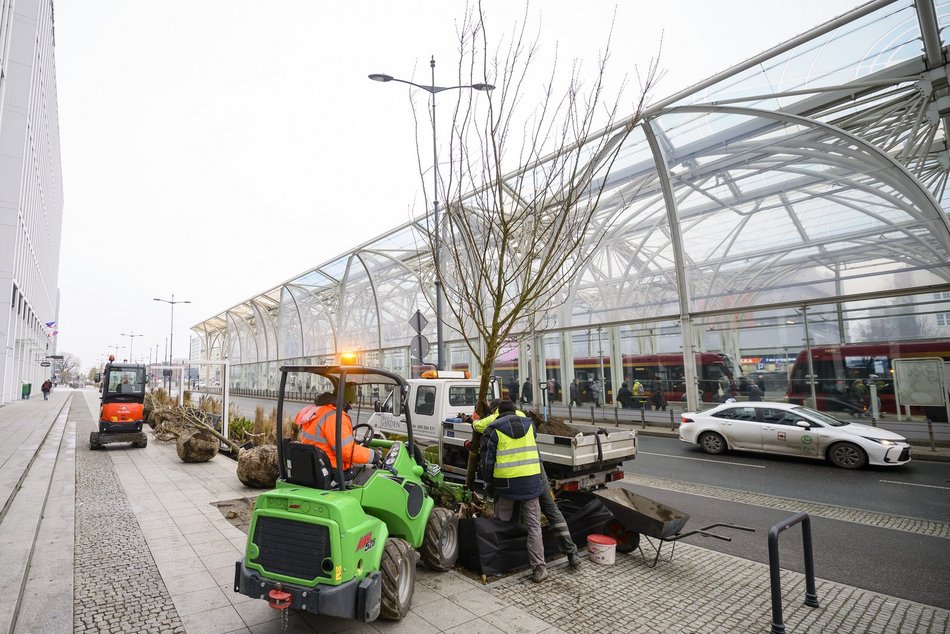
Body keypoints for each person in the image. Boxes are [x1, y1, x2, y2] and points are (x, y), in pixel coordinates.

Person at [474, 399, 548, 582]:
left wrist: (489, 484)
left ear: (497, 414)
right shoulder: (530, 425)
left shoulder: (493, 429)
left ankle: (501, 565)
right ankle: (539, 568)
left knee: (501, 523)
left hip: (506, 485)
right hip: (531, 482)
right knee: (534, 527)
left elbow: (488, 462)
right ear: (516, 412)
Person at [296, 392, 381, 474]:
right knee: (370, 471)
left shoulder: (318, 410)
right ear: (345, 403)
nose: (349, 409)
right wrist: (374, 455)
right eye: (350, 405)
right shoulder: (336, 417)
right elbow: (347, 452)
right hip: (331, 469)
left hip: (315, 465)